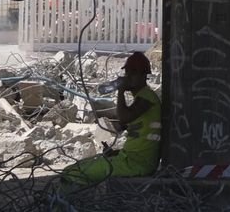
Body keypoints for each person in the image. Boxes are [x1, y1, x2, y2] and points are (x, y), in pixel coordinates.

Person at [57, 52, 161, 191]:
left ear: (144, 76)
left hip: (136, 163)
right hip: (130, 159)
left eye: (133, 73)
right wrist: (115, 152)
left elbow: (124, 117)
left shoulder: (147, 97)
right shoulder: (142, 98)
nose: (128, 76)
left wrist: (120, 91)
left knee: (72, 173)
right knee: (82, 167)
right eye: (127, 72)